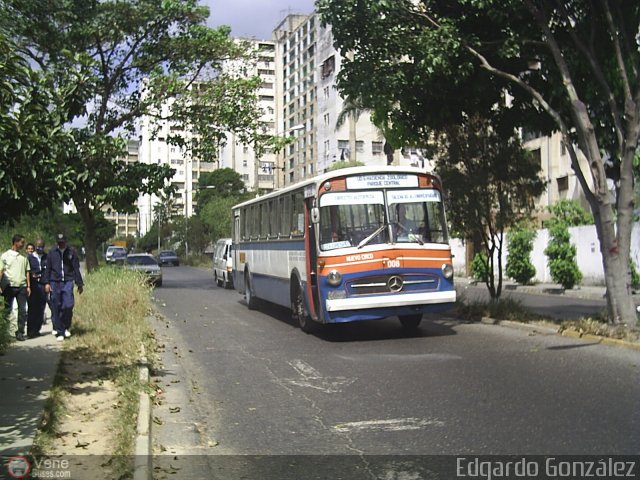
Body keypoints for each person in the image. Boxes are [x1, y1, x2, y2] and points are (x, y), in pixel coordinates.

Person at [43, 234, 84, 342]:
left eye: (62, 242)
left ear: (65, 242)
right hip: (55, 282)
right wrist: (46, 283)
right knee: (56, 305)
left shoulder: (71, 252)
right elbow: (48, 269)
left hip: (68, 281)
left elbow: (76, 268)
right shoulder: (52, 253)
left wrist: (79, 283)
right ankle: (60, 330)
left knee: (68, 305)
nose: (61, 244)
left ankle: (66, 326)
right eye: (59, 242)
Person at [0, 234, 31, 341]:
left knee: (22, 311)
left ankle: (20, 332)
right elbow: (1, 271)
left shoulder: (23, 258)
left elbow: (27, 272)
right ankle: (4, 333)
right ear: (16, 242)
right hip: (9, 287)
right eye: (22, 242)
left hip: (21, 287)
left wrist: (28, 286)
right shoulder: (5, 256)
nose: (23, 245)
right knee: (7, 310)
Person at [26, 240, 48, 338]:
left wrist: (47, 283)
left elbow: (48, 270)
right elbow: (26, 271)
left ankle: (37, 330)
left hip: (43, 284)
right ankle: (30, 331)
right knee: (32, 308)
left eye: (41, 247)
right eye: (38, 247)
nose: (40, 249)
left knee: (41, 307)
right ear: (35, 247)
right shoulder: (30, 258)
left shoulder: (47, 257)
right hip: (33, 285)